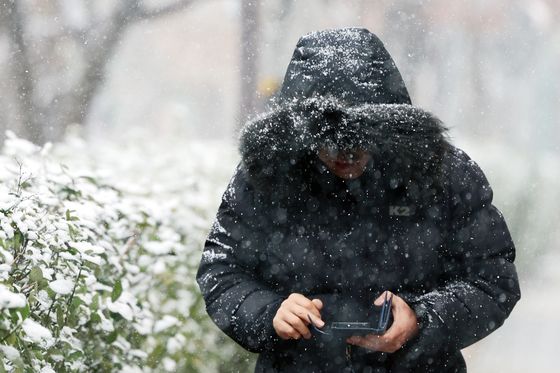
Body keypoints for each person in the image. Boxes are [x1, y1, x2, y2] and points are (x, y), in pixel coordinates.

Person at [197, 28, 520, 372]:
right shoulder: (266, 176)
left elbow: (492, 279)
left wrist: (423, 320)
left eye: (360, 140)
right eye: (329, 142)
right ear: (303, 135)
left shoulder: (442, 174)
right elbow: (222, 268)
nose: (345, 155)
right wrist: (270, 312)